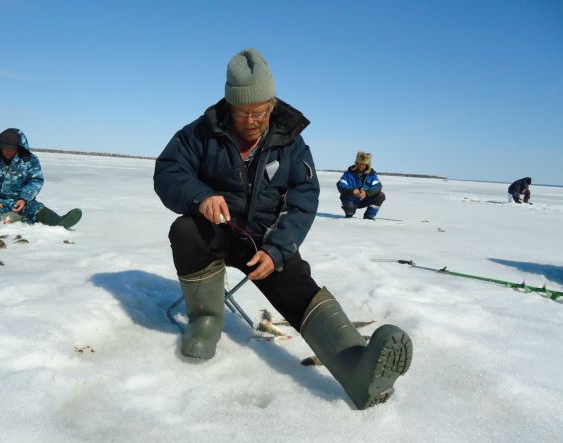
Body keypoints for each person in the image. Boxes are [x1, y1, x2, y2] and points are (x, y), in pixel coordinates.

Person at [153, 49, 413, 409]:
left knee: (295, 282)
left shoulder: (290, 142)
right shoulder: (200, 133)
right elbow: (168, 172)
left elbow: (304, 197)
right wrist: (200, 197)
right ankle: (206, 321)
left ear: (272, 103)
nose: (252, 120)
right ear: (229, 105)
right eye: (243, 112)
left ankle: (355, 366)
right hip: (212, 230)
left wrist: (278, 249)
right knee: (184, 230)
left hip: (263, 239)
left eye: (260, 111)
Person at [336, 152, 385, 219]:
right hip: (351, 199)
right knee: (349, 209)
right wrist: (352, 190)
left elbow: (378, 186)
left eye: (364, 164)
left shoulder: (372, 174)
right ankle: (349, 213)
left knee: (380, 195)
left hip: (365, 199)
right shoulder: (348, 173)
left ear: (367, 165)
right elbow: (340, 184)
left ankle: (369, 216)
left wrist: (366, 193)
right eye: (360, 164)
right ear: (357, 163)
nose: (361, 166)